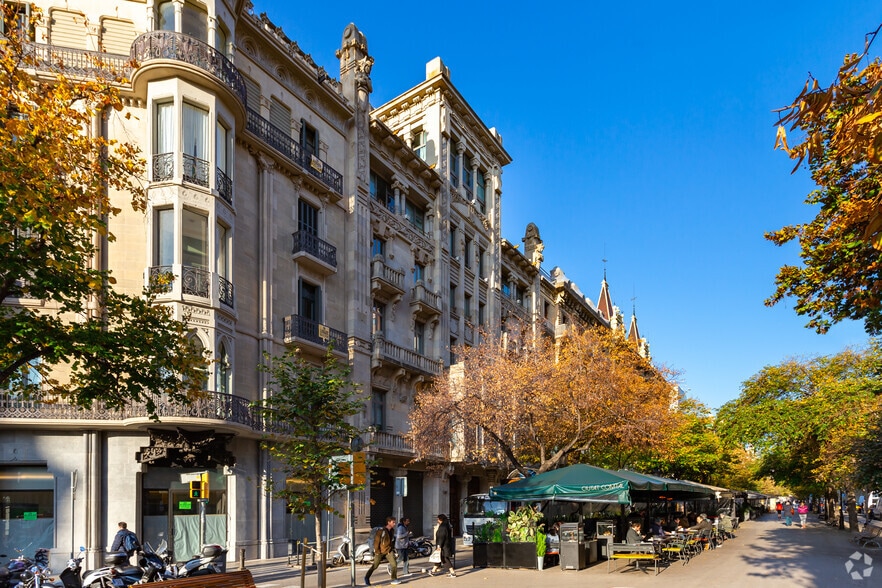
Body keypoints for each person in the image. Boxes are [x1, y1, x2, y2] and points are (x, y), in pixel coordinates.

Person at [365, 516, 399, 586]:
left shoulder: (392, 531)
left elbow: (391, 541)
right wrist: (377, 551)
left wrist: (391, 548)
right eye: (393, 522)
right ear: (388, 522)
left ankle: (394, 579)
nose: (394, 524)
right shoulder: (381, 531)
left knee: (394, 565)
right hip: (380, 551)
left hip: (388, 551)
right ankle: (367, 577)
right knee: (375, 566)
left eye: (395, 522)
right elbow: (376, 542)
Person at [429, 513, 456, 578]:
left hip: (443, 546)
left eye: (438, 519)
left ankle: (453, 573)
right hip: (445, 545)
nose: (437, 520)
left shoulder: (443, 527)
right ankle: (433, 570)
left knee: (444, 559)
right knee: (440, 558)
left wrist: (439, 546)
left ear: (441, 519)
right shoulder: (446, 525)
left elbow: (441, 537)